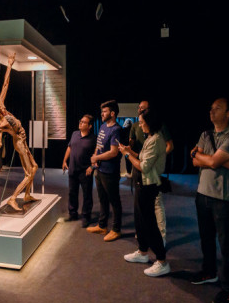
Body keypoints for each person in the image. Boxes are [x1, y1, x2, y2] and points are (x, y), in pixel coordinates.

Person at [190, 98, 229, 303]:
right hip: (202, 194)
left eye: (217, 108)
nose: (212, 111)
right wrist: (224, 162)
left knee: (227, 244)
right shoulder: (206, 134)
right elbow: (194, 158)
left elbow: (208, 161)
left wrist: (206, 157)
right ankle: (209, 272)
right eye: (211, 108)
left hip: (224, 198)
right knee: (206, 238)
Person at [0, 53, 38, 211]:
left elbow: (6, 84)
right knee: (29, 173)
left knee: (34, 167)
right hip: (19, 143)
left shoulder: (2, 106)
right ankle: (13, 198)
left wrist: (9, 64)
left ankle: (27, 195)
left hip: (23, 139)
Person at [118, 109, 170, 277]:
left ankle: (162, 261)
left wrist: (127, 155)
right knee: (140, 221)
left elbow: (144, 166)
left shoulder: (156, 140)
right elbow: (141, 157)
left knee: (149, 224)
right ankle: (142, 251)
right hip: (142, 184)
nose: (140, 125)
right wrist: (129, 151)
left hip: (149, 185)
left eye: (142, 122)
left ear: (150, 122)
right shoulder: (150, 138)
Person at [129, 100, 174, 245]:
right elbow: (135, 148)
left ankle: (161, 238)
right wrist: (127, 149)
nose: (140, 110)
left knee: (156, 204)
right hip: (140, 168)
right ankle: (143, 235)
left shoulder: (157, 133)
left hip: (151, 170)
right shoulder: (136, 126)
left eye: (143, 109)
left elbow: (169, 146)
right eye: (139, 108)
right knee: (142, 205)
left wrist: (157, 159)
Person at [87, 100, 123, 241]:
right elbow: (99, 145)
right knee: (102, 199)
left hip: (110, 172)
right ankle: (102, 226)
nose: (102, 114)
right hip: (100, 169)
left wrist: (96, 157)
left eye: (105, 111)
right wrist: (95, 160)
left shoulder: (116, 130)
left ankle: (116, 230)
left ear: (112, 113)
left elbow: (114, 152)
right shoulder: (102, 126)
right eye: (102, 111)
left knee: (114, 201)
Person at [62, 114, 97, 226]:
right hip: (73, 169)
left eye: (83, 122)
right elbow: (70, 147)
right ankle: (73, 213)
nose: (80, 123)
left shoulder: (94, 139)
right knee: (72, 192)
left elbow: (96, 154)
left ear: (90, 126)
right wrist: (64, 160)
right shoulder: (75, 134)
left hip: (85, 171)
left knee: (87, 195)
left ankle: (86, 216)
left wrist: (92, 167)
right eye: (80, 121)